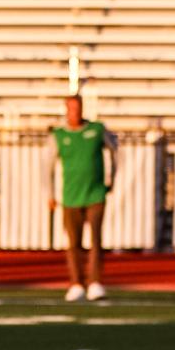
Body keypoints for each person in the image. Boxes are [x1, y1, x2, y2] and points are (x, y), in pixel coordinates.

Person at [49, 94, 117, 303]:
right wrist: (50, 194)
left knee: (96, 240)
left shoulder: (97, 130)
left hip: (95, 193)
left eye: (77, 108)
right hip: (70, 196)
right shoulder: (58, 135)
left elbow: (116, 152)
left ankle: (95, 282)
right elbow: (47, 166)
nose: (75, 112)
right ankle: (76, 283)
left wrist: (110, 179)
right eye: (71, 108)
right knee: (73, 243)